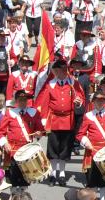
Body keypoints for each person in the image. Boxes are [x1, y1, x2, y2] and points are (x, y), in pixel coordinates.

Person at [35, 58, 85, 186]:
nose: (62, 72)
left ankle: (62, 173)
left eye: (64, 70)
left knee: (65, 148)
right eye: (59, 70)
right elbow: (45, 104)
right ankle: (52, 173)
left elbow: (80, 98)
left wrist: (78, 103)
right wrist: (44, 122)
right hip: (54, 120)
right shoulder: (50, 84)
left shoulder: (73, 83)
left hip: (68, 120)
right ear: (55, 72)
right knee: (53, 148)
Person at [0, 90, 43, 189]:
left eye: (24, 100)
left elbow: (40, 130)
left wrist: (39, 134)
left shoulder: (34, 113)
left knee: (25, 176)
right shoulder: (10, 113)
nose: (23, 102)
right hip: (13, 149)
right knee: (13, 176)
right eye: (20, 100)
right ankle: (13, 197)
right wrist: (5, 144)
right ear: (16, 101)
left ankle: (23, 198)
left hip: (27, 149)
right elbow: (0, 132)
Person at [76, 91, 105, 190]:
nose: (100, 102)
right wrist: (86, 142)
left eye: (102, 100)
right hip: (92, 151)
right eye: (98, 100)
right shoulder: (88, 116)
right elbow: (80, 134)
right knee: (92, 180)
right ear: (93, 102)